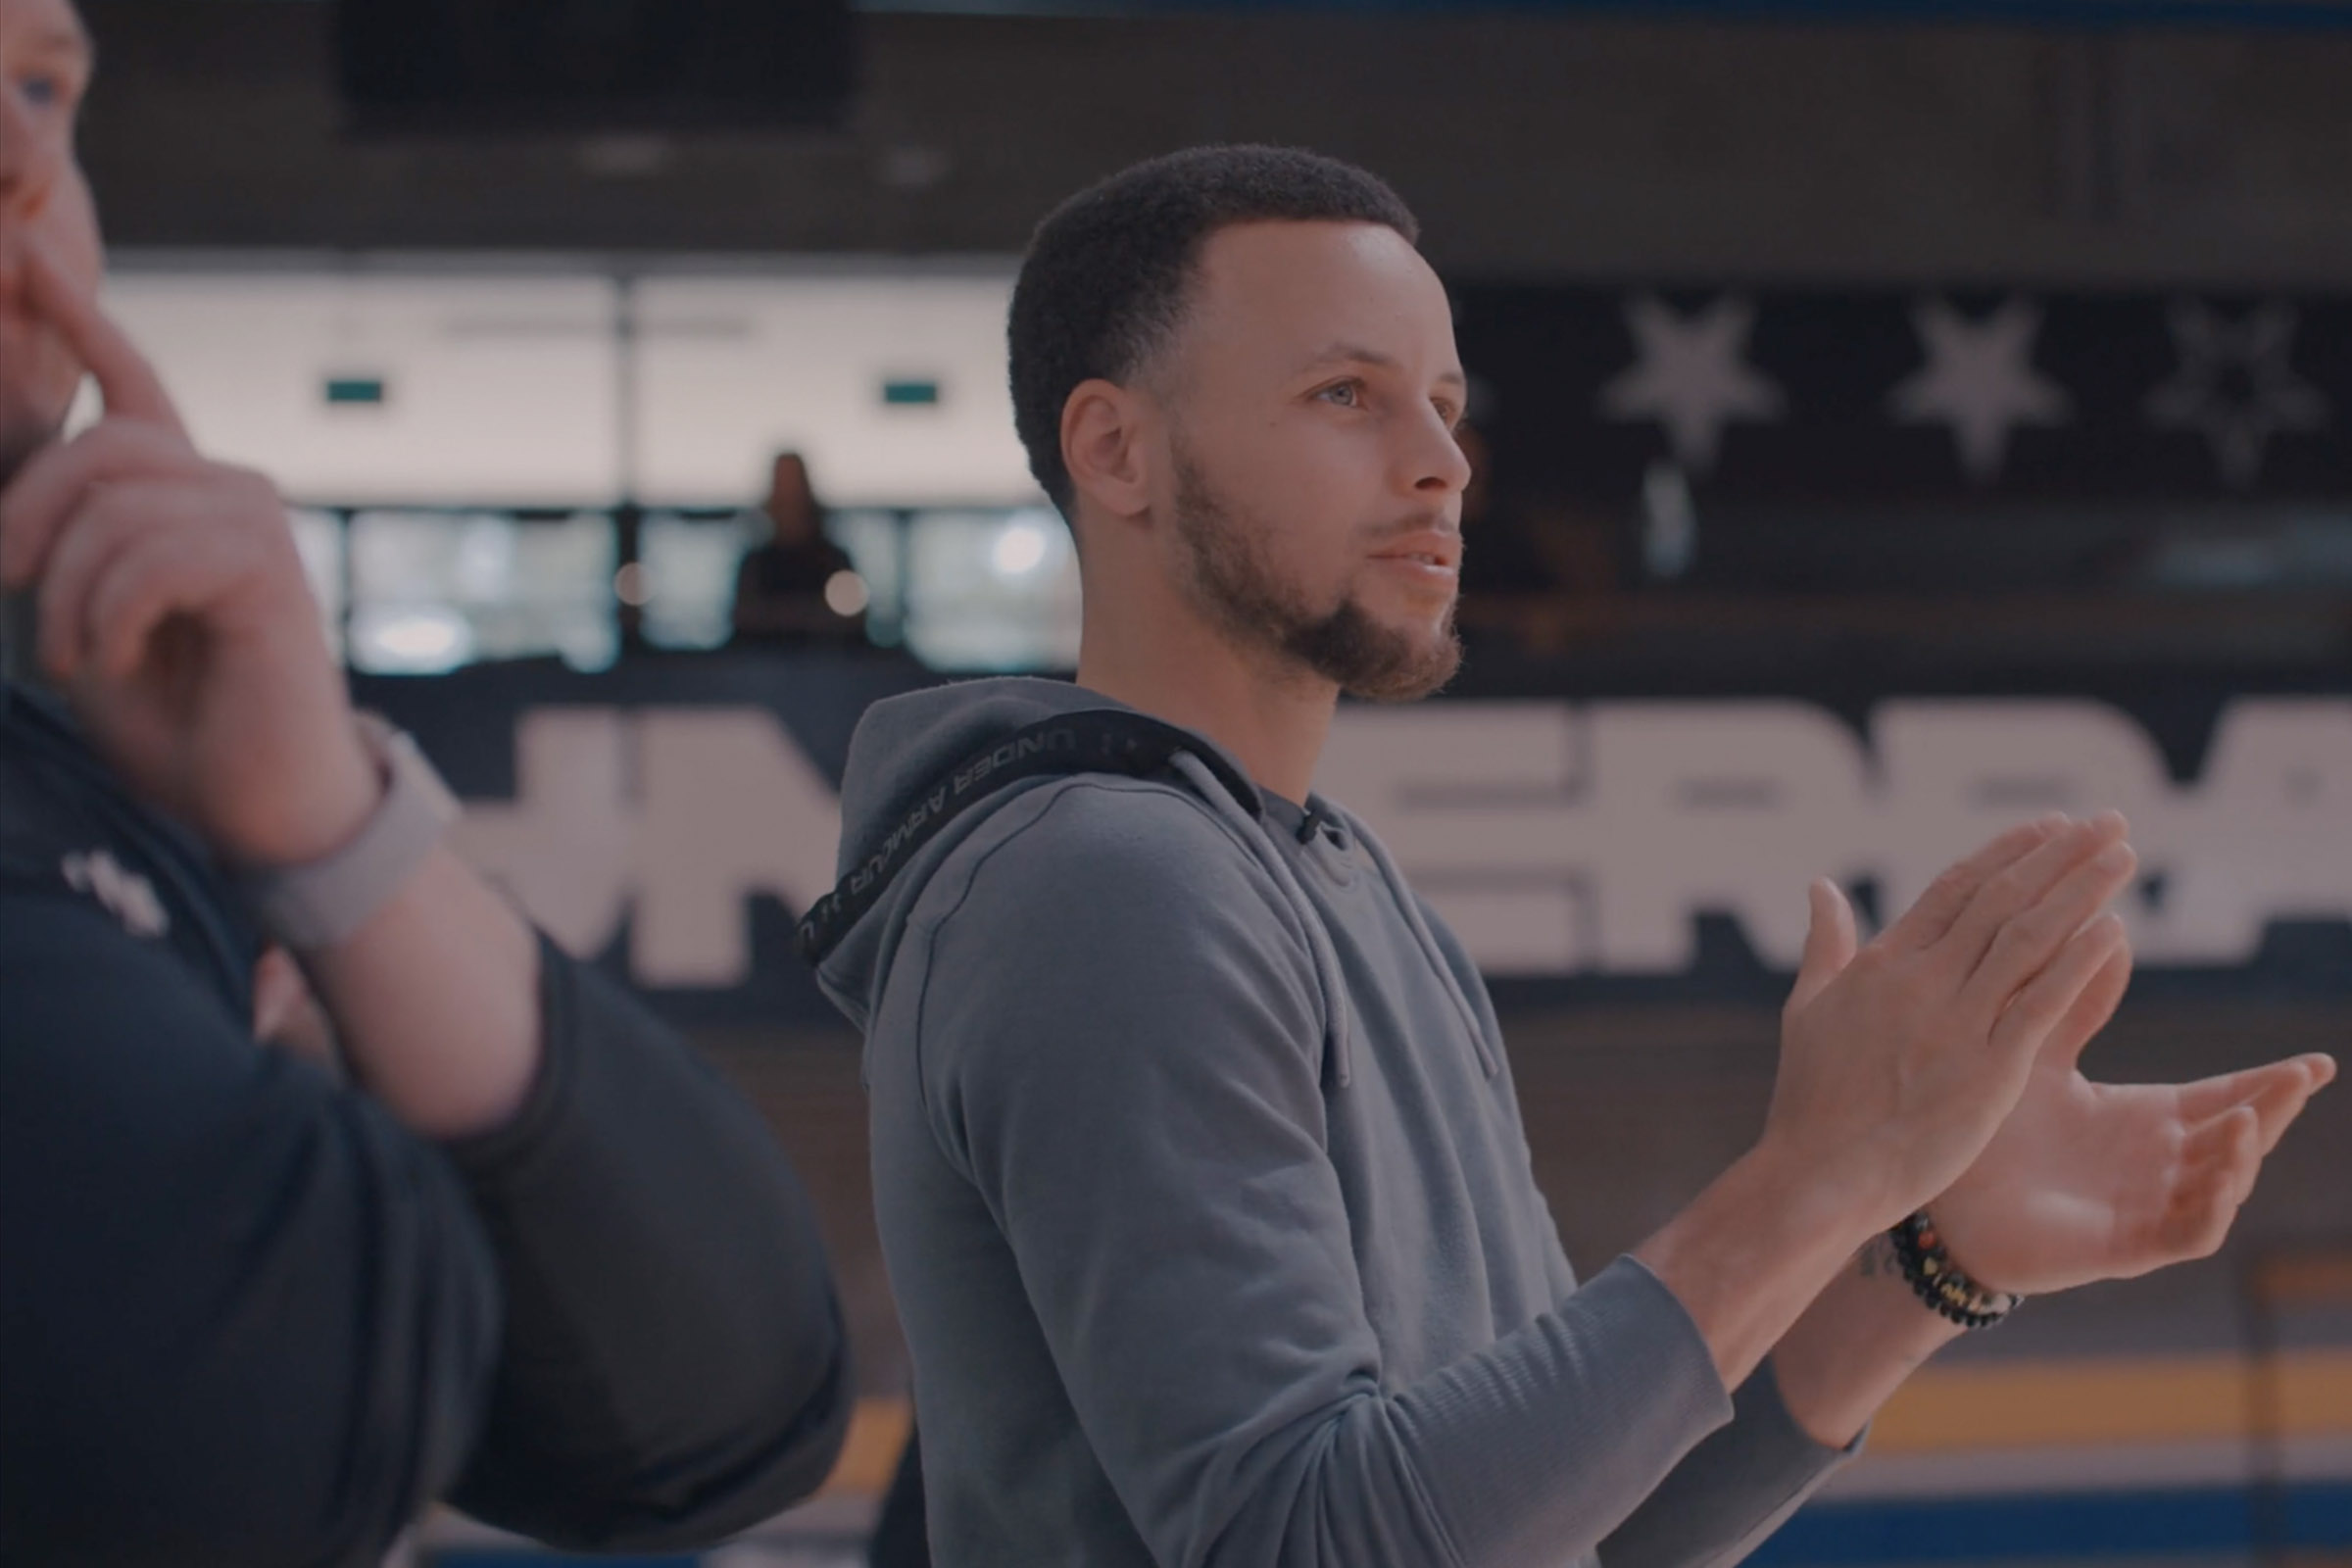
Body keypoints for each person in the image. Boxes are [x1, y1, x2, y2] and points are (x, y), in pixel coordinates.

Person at [806, 145, 2334, 1567]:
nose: (1442, 464)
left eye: (1444, 402)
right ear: (1116, 451)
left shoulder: (1339, 884)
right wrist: (1816, 1177)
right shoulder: (1104, 887)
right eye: (1347, 397)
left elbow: (1563, 1527)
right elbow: (1314, 1540)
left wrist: (1920, 1257)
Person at [0, 1, 850, 1558]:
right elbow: (239, 1383)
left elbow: (727, 1414)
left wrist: (326, 832)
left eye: (42, 84)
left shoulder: (99, 756)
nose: (16, 157)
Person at [730, 449, 866, 647]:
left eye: (794, 486)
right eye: (782, 488)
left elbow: (853, 620)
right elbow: (743, 619)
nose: (790, 498)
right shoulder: (755, 564)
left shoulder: (834, 560)